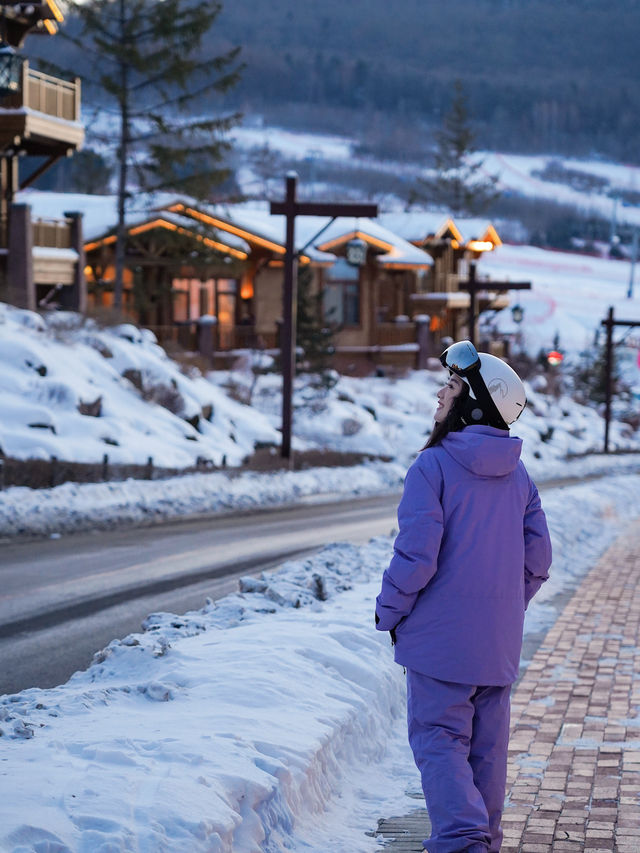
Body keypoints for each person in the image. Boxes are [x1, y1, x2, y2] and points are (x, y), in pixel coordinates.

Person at [375, 340, 552, 853]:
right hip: (496, 645)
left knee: (439, 741)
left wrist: (390, 611)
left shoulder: (430, 468)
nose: (439, 393)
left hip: (438, 642)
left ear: (472, 402)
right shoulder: (519, 477)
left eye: (450, 386)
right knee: (487, 753)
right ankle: (483, 841)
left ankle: (460, 841)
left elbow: (416, 555)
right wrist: (502, 605)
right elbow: (538, 560)